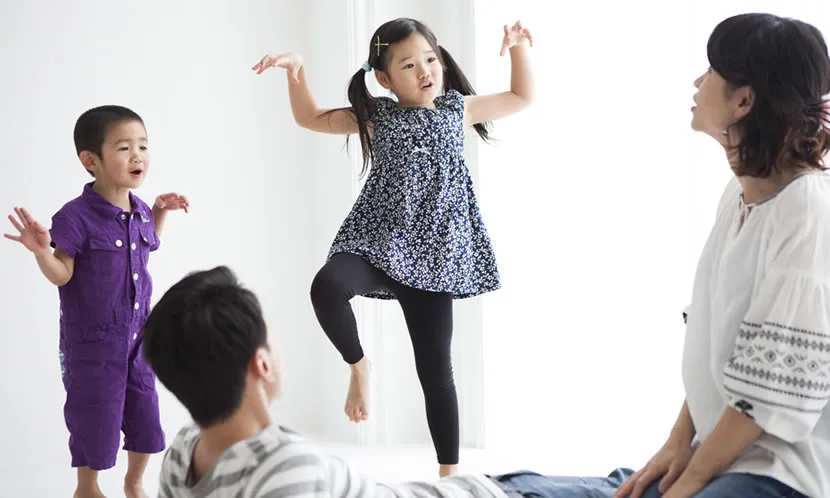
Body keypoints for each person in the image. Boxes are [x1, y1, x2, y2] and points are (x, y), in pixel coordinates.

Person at [490, 12, 830, 498]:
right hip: (726, 456)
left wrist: (692, 476)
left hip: (782, 474)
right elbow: (729, 353)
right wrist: (677, 443)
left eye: (711, 71)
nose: (698, 80)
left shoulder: (808, 210)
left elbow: (773, 389)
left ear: (744, 100)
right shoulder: (738, 198)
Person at [251, 17, 534, 477]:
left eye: (430, 59)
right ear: (383, 78)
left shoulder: (456, 109)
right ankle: (359, 367)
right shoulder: (376, 117)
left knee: (436, 373)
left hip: (433, 258)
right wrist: (295, 70)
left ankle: (449, 476)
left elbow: (521, 97)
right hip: (376, 242)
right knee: (326, 287)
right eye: (408, 65)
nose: (425, 70)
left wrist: (518, 46)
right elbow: (307, 117)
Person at [146, 265, 631, 497]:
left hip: (471, 489)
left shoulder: (182, 457)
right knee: (643, 489)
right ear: (262, 366)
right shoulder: (286, 468)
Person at [4, 105, 189, 498]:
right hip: (92, 346)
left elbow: (150, 243)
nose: (138, 155)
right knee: (95, 420)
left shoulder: (140, 211)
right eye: (124, 147)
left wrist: (158, 211)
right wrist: (42, 253)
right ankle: (87, 488)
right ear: (91, 160)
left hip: (139, 342)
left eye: (143, 145)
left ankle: (134, 482)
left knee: (146, 418)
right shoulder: (75, 217)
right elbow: (63, 274)